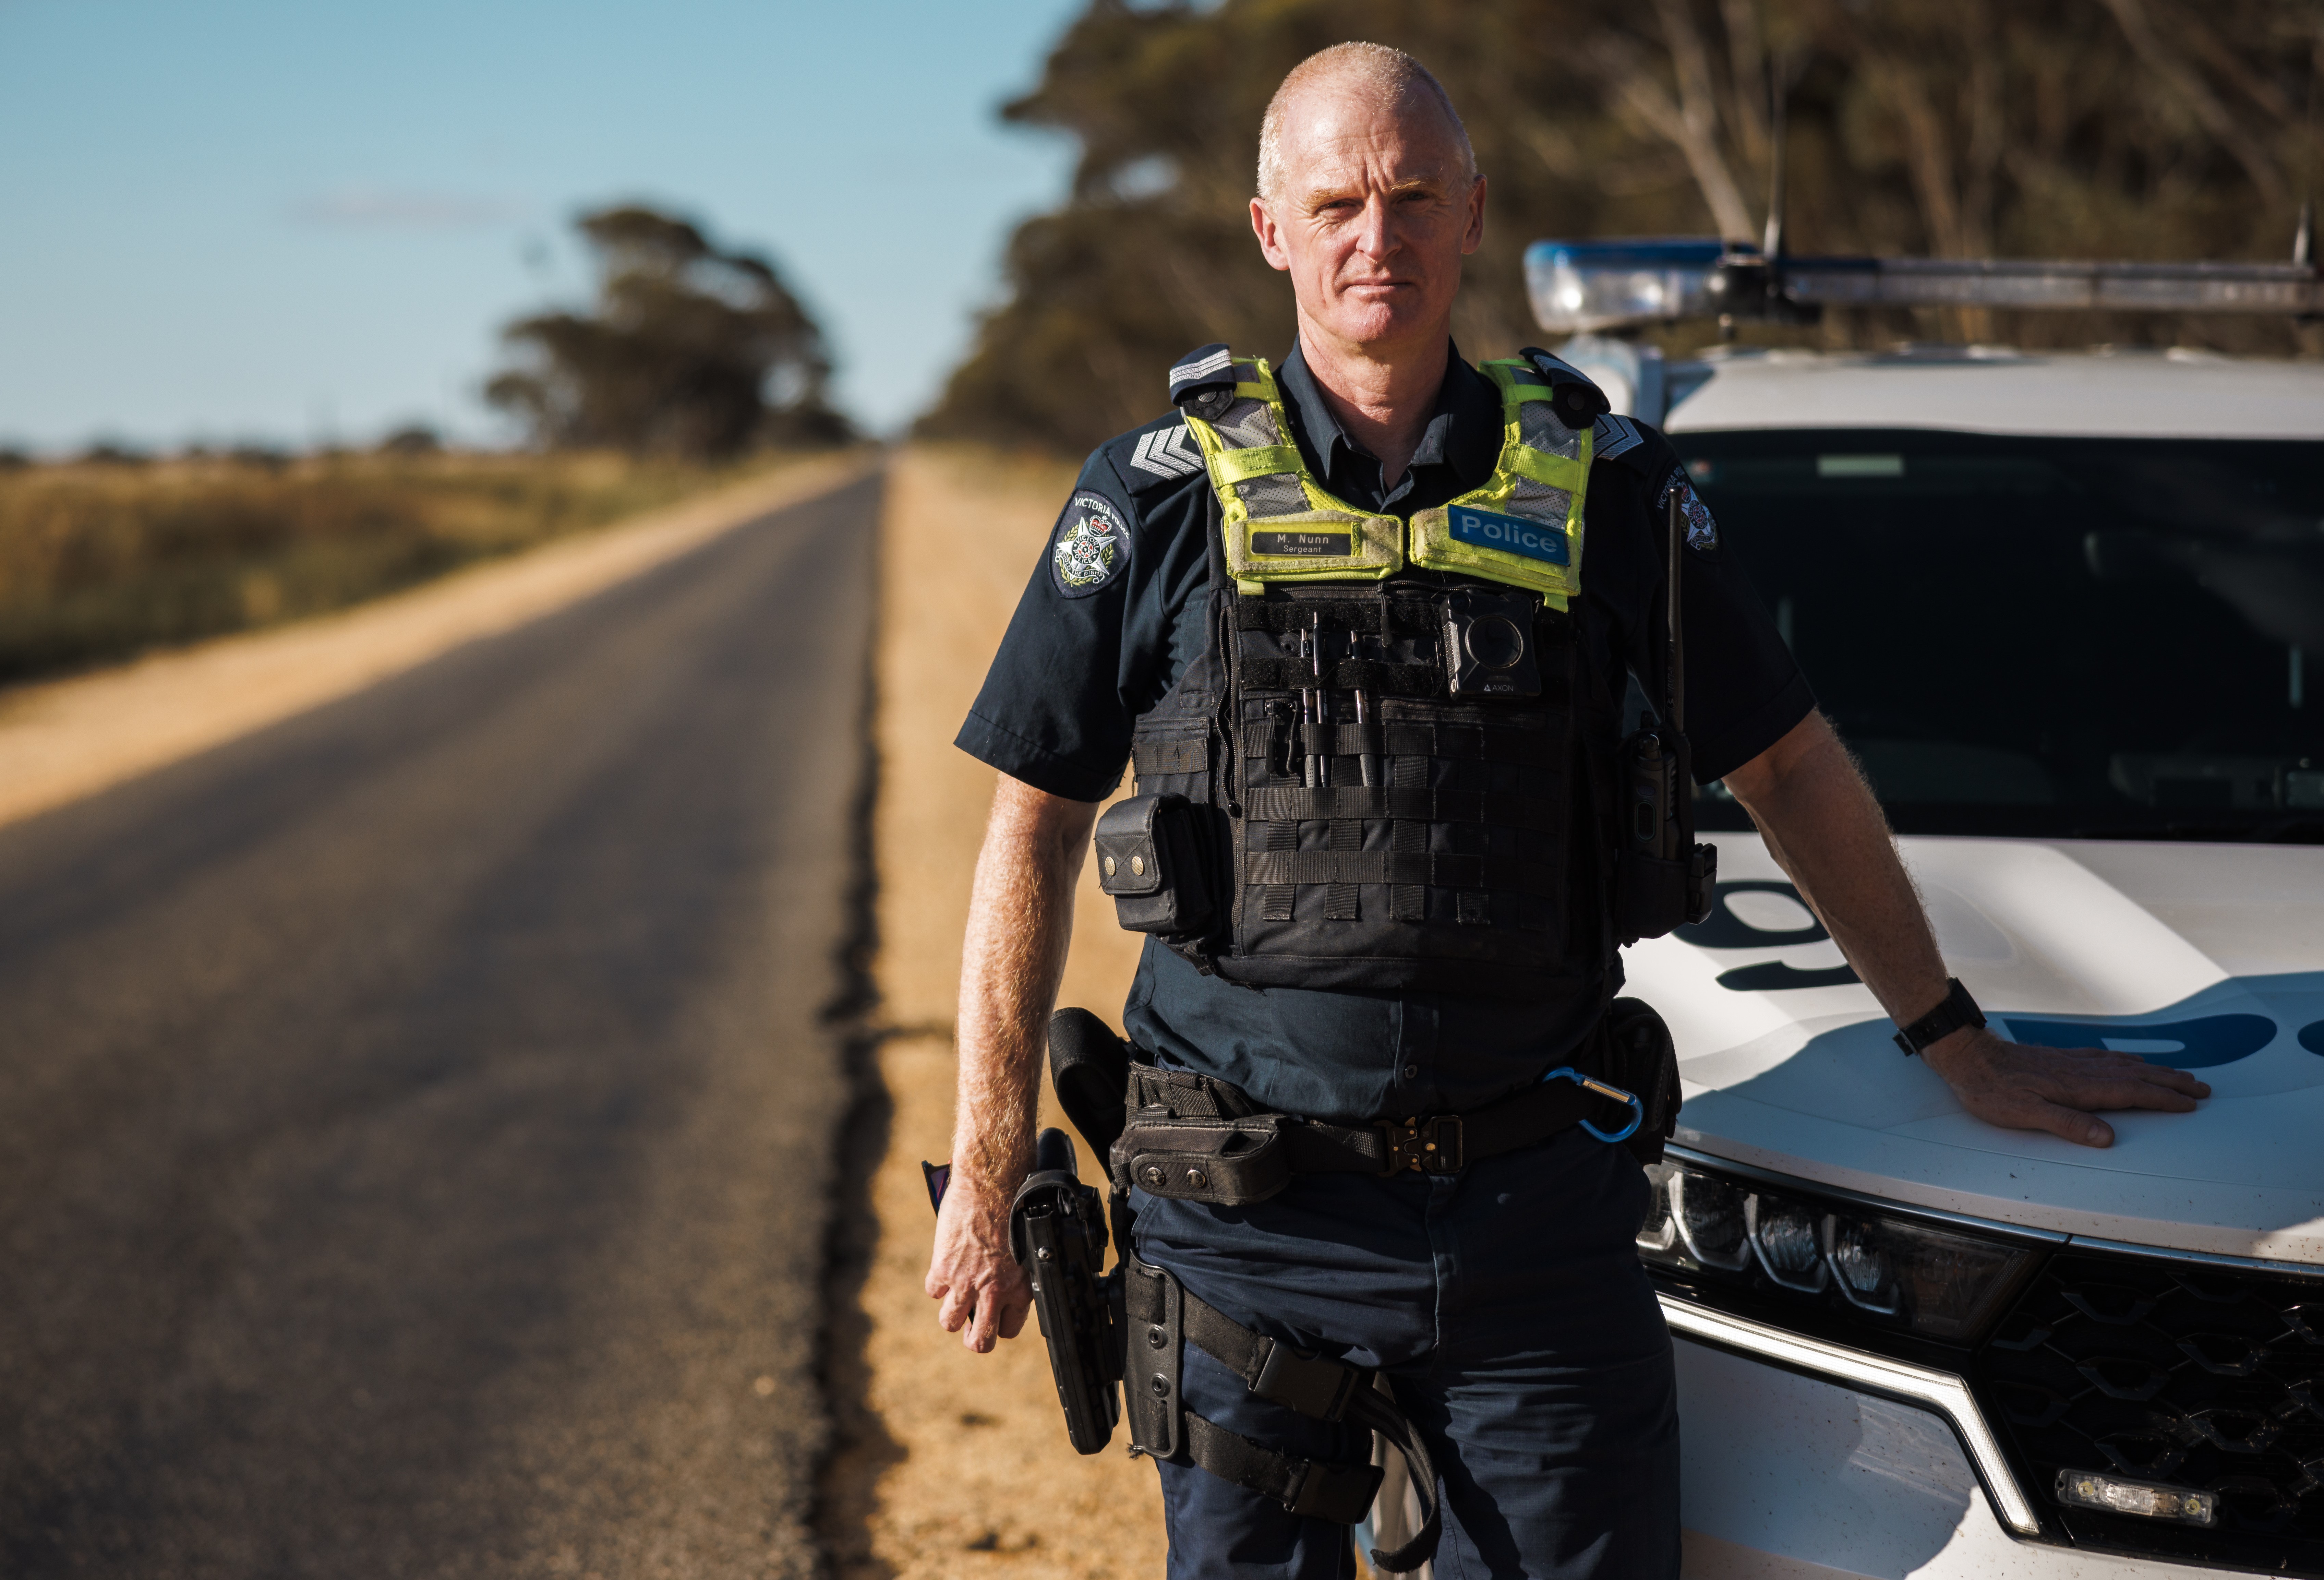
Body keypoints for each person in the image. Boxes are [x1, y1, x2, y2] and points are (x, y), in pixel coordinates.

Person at [924, 42, 2212, 1580]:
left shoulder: (1609, 491)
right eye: (1334, 203)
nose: (1373, 240)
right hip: (1243, 1233)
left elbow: (1787, 764)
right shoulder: (1147, 501)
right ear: (1269, 229)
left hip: (1529, 1226)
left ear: (1471, 211)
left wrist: (1951, 1036)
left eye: (1410, 198)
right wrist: (985, 1171)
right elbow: (1034, 828)